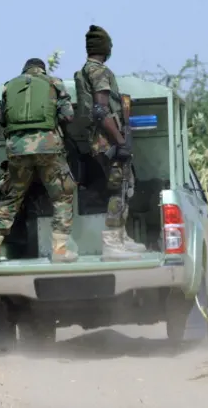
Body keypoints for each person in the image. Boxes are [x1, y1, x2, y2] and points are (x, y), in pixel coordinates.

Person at [0, 58, 78, 264]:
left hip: (17, 149)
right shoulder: (54, 83)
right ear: (42, 70)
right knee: (62, 197)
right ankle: (60, 251)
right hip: (48, 147)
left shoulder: (9, 87)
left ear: (24, 70)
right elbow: (68, 115)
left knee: (12, 197)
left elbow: (3, 120)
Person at [73, 25, 147, 260]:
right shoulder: (99, 72)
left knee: (125, 186)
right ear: (105, 48)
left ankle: (121, 238)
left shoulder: (86, 70)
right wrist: (120, 140)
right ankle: (112, 243)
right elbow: (100, 109)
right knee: (119, 188)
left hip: (101, 139)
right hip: (107, 140)